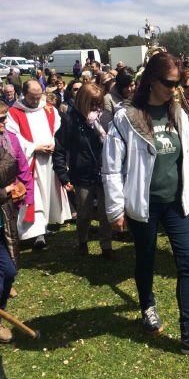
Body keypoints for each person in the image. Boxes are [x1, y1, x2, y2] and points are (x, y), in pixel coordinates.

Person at [102, 52, 189, 358]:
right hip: (144, 204)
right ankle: (147, 306)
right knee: (145, 257)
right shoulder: (126, 117)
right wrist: (116, 209)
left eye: (179, 82)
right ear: (152, 81)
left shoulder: (178, 112)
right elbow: (112, 167)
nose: (176, 88)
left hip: (176, 201)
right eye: (170, 83)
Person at [5, 80, 71, 249]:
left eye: (38, 97)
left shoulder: (48, 108)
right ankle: (36, 233)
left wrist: (54, 144)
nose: (35, 101)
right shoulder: (15, 112)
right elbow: (13, 136)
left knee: (48, 193)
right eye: (32, 98)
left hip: (49, 161)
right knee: (35, 196)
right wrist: (34, 147)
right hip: (30, 161)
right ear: (24, 95)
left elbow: (57, 129)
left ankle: (45, 225)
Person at [53, 84, 113, 259]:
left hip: (104, 171)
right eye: (92, 104)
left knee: (105, 211)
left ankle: (106, 246)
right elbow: (59, 148)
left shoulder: (104, 118)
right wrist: (63, 175)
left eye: (98, 103)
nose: (96, 108)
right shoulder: (70, 120)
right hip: (82, 173)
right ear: (83, 102)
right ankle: (82, 241)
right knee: (84, 212)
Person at [0, 101, 33, 343]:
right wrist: (4, 191)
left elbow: (20, 166)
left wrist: (20, 190)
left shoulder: (8, 140)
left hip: (4, 217)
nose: (3, 125)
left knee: (10, 270)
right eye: (0, 120)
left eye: (3, 119)